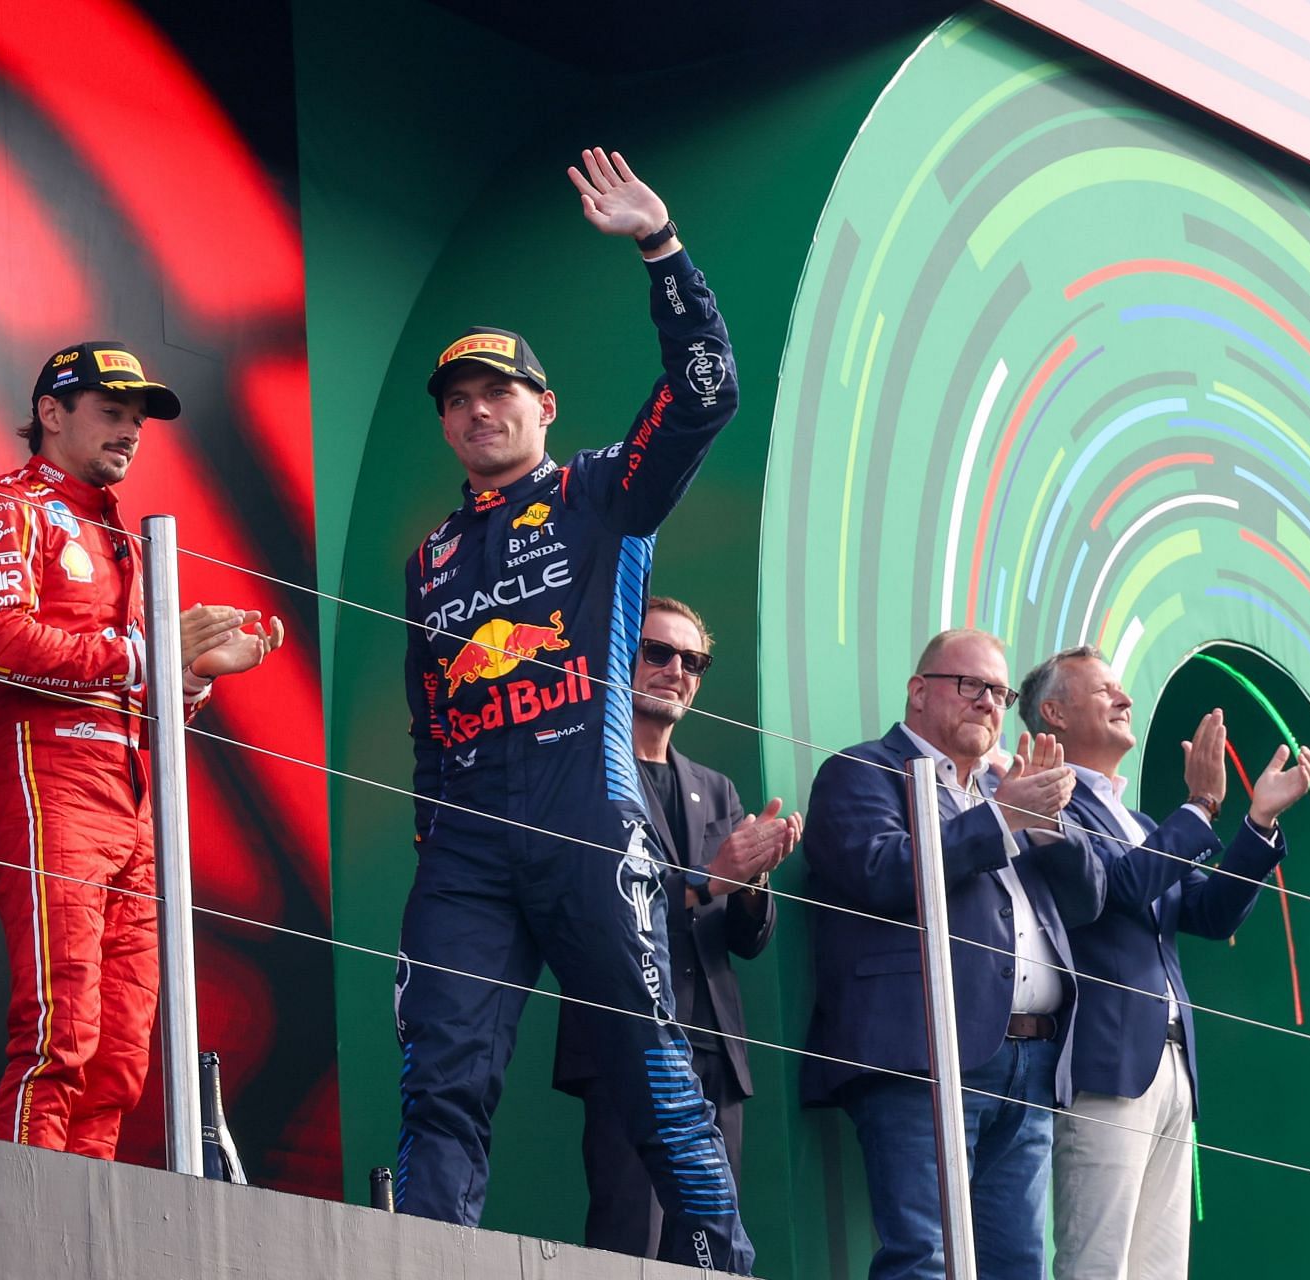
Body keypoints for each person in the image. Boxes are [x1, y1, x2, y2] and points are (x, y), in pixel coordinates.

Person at [395, 148, 753, 1272]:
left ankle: (715, 1251)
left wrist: (663, 250)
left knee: (649, 1054)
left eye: (498, 391)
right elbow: (424, 720)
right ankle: (428, 1253)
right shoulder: (431, 555)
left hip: (585, 819)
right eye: (458, 399)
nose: (477, 410)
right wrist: (431, 830)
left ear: (543, 407)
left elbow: (706, 394)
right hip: (463, 841)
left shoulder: (601, 490)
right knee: (439, 1064)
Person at [0, 340, 282, 1156]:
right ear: (50, 414)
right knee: (61, 1032)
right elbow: (2, 644)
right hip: (46, 780)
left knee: (122, 1058)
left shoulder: (123, 537)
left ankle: (82, 1240)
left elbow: (135, 690)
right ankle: (21, 1224)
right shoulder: (1, 505)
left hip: (131, 797)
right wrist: (149, 653)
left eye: (138, 419)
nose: (130, 431)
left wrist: (189, 678)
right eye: (110, 412)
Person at [799, 627, 1105, 1280]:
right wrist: (1000, 818)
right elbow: (883, 872)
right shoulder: (861, 773)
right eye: (970, 685)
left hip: (1032, 1060)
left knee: (1016, 1266)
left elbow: (1089, 902)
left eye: (1000, 691)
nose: (988, 703)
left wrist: (1048, 825)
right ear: (918, 692)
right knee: (927, 1260)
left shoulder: (1007, 789)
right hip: (924, 1057)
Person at [1016, 647, 1310, 1279]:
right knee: (1097, 1262)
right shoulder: (1051, 805)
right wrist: (1200, 807)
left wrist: (1256, 822)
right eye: (1105, 691)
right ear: (1054, 714)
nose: (1125, 700)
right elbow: (1116, 890)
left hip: (1173, 1064)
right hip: (1107, 1063)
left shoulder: (1139, 819)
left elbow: (1209, 915)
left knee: (1160, 1268)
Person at [551, 596, 800, 1259]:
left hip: (713, 1047)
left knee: (711, 1250)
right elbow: (590, 900)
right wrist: (708, 881)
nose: (675, 671)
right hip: (624, 1037)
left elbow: (747, 938)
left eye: (693, 660)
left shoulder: (715, 788)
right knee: (633, 1237)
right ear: (617, 658)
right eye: (656, 652)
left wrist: (754, 879)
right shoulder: (580, 771)